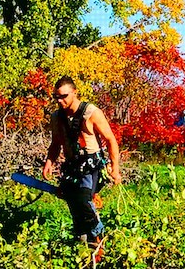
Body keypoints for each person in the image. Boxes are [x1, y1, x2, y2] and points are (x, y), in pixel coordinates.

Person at [43, 75, 122, 248]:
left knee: (83, 200)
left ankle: (98, 237)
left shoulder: (91, 112)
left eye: (64, 96)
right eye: (56, 97)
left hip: (91, 166)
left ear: (74, 93)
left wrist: (115, 169)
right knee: (73, 202)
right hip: (71, 166)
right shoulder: (57, 117)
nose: (60, 101)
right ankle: (82, 242)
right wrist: (49, 163)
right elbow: (56, 143)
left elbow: (110, 140)